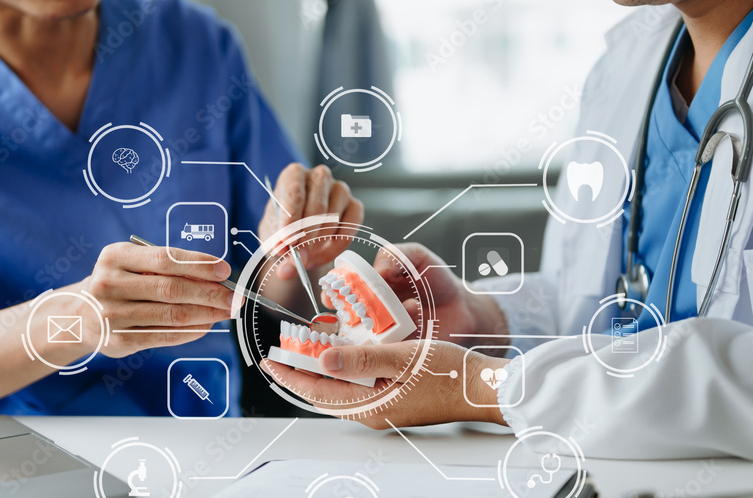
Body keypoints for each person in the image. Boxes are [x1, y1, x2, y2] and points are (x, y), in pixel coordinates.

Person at [0, 0, 362, 417]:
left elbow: (270, 302)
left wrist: (291, 263)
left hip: (204, 451)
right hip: (1, 476)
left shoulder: (196, 46)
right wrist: (72, 321)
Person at [265, 0, 753, 459]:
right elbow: (594, 314)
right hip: (602, 482)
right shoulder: (628, 66)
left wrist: (481, 387)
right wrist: (489, 325)